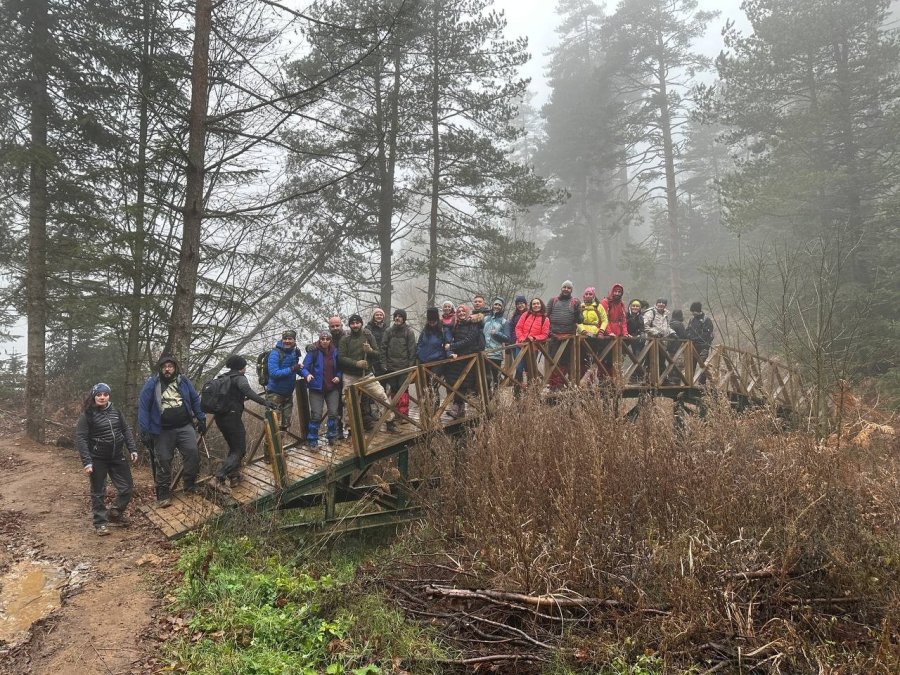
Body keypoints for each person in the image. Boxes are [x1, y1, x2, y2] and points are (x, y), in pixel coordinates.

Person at [138, 355, 205, 507]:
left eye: (170, 366)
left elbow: (195, 399)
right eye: (164, 367)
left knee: (192, 453)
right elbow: (143, 408)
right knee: (163, 460)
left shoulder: (184, 381)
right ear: (160, 369)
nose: (167, 369)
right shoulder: (152, 384)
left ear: (175, 368)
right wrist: (145, 430)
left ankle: (189, 485)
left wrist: (201, 418)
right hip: (162, 430)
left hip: (184, 426)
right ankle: (163, 494)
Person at [74, 383, 138, 535]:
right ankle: (100, 523)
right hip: (98, 458)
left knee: (127, 488)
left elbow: (125, 430)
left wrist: (132, 449)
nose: (102, 397)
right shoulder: (87, 415)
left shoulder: (116, 411)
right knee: (98, 491)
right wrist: (87, 462)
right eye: (99, 395)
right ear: (94, 396)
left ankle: (114, 513)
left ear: (109, 395)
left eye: (105, 394)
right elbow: (81, 438)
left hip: (117, 456)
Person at [210, 355, 277, 494]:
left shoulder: (223, 377)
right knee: (239, 450)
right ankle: (218, 478)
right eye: (245, 366)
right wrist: (265, 402)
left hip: (220, 418)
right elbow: (248, 391)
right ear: (241, 367)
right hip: (232, 418)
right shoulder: (240, 378)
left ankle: (234, 476)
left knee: (234, 447)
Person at [339, 314, 396, 432]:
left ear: (361, 323)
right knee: (348, 402)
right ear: (350, 325)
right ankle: (350, 429)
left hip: (367, 374)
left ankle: (390, 422)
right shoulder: (345, 339)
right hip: (350, 376)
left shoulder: (368, 335)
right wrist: (356, 363)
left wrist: (370, 351)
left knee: (381, 396)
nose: (355, 325)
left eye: (357, 323)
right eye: (352, 323)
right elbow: (341, 358)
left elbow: (378, 353)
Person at [301, 331, 342, 447]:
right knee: (316, 415)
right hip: (316, 388)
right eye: (322, 339)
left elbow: (340, 368)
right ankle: (312, 440)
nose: (325, 341)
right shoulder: (313, 351)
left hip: (332, 388)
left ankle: (332, 437)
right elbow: (304, 367)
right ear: (319, 340)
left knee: (333, 413)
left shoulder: (335, 351)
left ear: (330, 340)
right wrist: (307, 375)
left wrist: (338, 377)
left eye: (327, 339)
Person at [443, 304, 483, 418]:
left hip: (470, 357)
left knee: (464, 382)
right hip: (460, 356)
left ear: (467, 312)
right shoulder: (457, 325)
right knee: (454, 380)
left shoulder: (473, 324)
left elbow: (469, 340)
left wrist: (451, 346)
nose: (461, 313)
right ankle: (458, 408)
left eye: (463, 311)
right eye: (459, 311)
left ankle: (459, 408)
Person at [546, 280, 583, 390]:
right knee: (553, 361)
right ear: (561, 288)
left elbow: (580, 320)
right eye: (564, 287)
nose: (566, 289)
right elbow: (546, 317)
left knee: (565, 362)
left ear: (571, 290)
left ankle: (561, 383)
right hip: (554, 336)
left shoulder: (575, 302)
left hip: (568, 337)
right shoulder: (553, 301)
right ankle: (553, 384)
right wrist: (548, 332)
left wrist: (577, 311)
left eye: (568, 288)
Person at [264, 330, 303, 432]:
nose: (287, 341)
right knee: (271, 426)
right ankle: (269, 448)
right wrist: (292, 369)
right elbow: (274, 373)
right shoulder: (275, 353)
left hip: (288, 394)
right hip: (274, 395)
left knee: (285, 426)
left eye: (290, 339)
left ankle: (281, 447)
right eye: (285, 339)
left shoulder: (294, 352)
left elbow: (296, 369)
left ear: (294, 340)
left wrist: (308, 375)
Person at [381, 309, 417, 413]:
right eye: (396, 316)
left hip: (404, 367)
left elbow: (412, 350)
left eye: (400, 316)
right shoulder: (388, 331)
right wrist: (384, 364)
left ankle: (404, 414)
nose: (397, 318)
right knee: (393, 389)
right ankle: (396, 412)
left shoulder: (408, 331)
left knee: (403, 389)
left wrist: (410, 367)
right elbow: (383, 348)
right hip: (391, 367)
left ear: (404, 318)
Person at [576, 287, 609, 380]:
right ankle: (581, 381)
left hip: (595, 336)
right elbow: (577, 321)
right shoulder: (580, 307)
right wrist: (583, 331)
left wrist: (601, 331)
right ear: (583, 296)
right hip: (582, 336)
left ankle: (590, 381)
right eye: (586, 294)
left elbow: (604, 320)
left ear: (593, 296)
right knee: (581, 358)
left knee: (594, 359)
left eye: (590, 294)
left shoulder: (598, 306)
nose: (588, 296)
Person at [483, 298, 510, 391]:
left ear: (502, 308)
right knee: (485, 377)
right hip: (484, 352)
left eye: (499, 305)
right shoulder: (486, 318)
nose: (497, 307)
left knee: (495, 378)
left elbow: (507, 338)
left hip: (496, 353)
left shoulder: (504, 321)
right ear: (492, 306)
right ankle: (487, 399)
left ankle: (496, 399)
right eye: (495, 304)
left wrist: (497, 333)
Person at [687, 302, 715, 383]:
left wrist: (695, 339)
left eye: (693, 311)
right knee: (691, 365)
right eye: (691, 311)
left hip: (703, 347)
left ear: (698, 310)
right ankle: (689, 383)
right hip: (692, 346)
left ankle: (702, 385)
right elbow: (688, 330)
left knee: (703, 365)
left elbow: (707, 334)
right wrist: (688, 337)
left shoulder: (706, 320)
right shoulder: (692, 320)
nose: (692, 313)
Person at [365, 308, 388, 377]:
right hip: (373, 357)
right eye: (377, 315)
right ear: (373, 316)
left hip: (384, 356)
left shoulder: (387, 328)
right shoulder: (368, 328)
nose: (379, 316)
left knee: (385, 378)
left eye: (381, 315)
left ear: (383, 317)